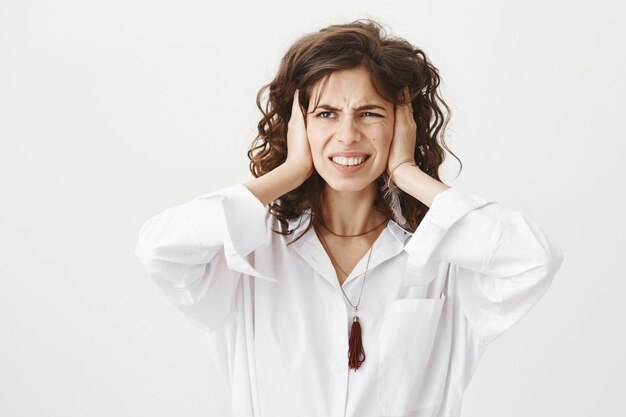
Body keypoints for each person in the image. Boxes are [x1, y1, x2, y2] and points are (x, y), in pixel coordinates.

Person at [135, 18, 564, 417]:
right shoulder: (248, 254)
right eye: (326, 114)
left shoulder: (443, 254)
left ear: (403, 124)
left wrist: (407, 173)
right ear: (297, 125)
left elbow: (533, 260)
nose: (347, 135)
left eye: (370, 113)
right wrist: (289, 171)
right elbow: (160, 250)